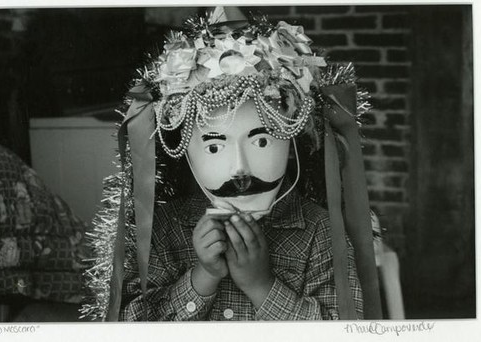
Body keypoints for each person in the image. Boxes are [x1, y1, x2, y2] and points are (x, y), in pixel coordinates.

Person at [81, 6, 382, 321]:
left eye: (261, 141)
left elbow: (345, 332)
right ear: (185, 152)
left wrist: (261, 285)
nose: (240, 168)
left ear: (292, 143)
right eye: (214, 147)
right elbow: (132, 327)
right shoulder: (165, 230)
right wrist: (203, 277)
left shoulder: (320, 231)